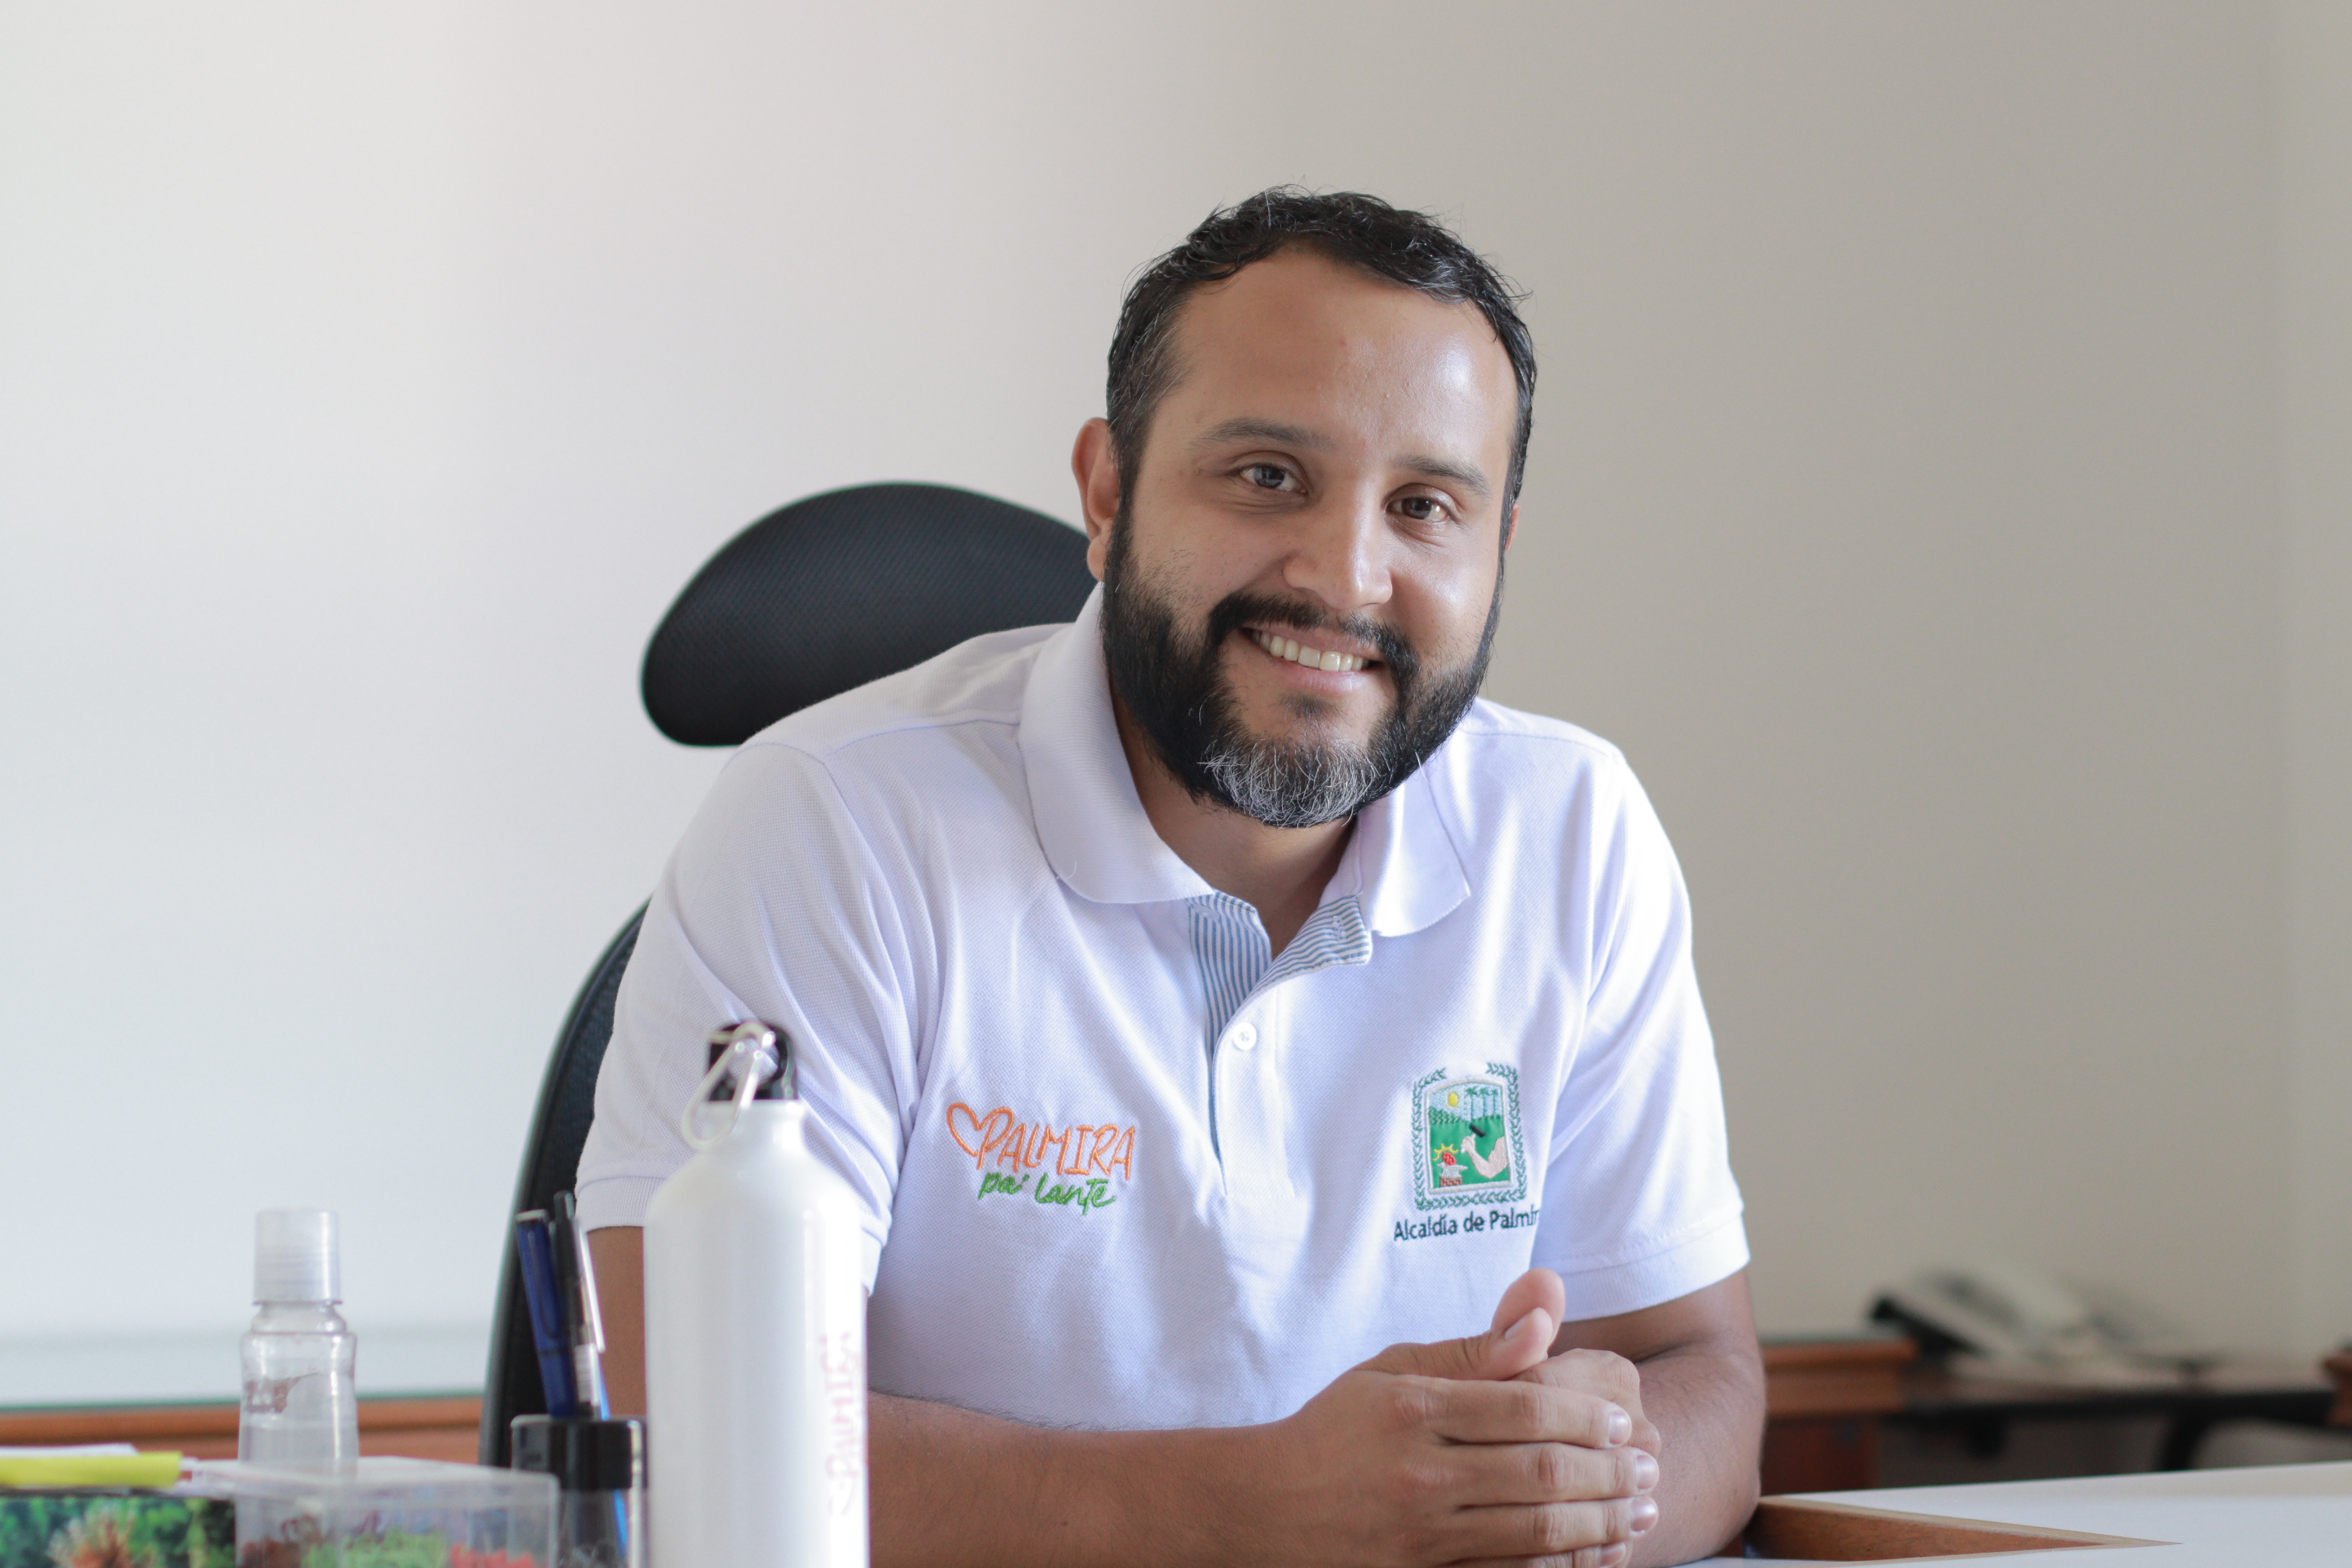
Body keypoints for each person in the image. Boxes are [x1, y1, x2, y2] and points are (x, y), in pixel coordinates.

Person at [577, 188, 1764, 1568]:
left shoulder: (1572, 828)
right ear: (1108, 491)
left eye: (1426, 505)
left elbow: (1703, 1377)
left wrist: (1573, 1486)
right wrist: (1255, 1509)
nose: (1346, 576)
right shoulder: (835, 820)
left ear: (1499, 545)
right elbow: (690, 1437)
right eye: (1267, 475)